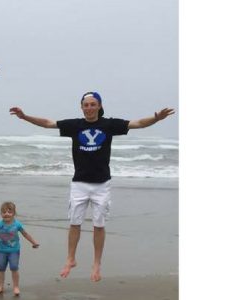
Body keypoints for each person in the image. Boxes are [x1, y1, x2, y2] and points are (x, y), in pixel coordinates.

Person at [9, 92, 175, 282]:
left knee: (99, 225)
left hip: (102, 184)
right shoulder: (75, 125)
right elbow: (48, 123)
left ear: (99, 106)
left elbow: (137, 123)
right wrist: (24, 116)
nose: (89, 108)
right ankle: (71, 258)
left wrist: (156, 118)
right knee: (74, 223)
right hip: (79, 183)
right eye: (85, 105)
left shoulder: (109, 125)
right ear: (81, 107)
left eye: (92, 104)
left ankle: (97, 262)